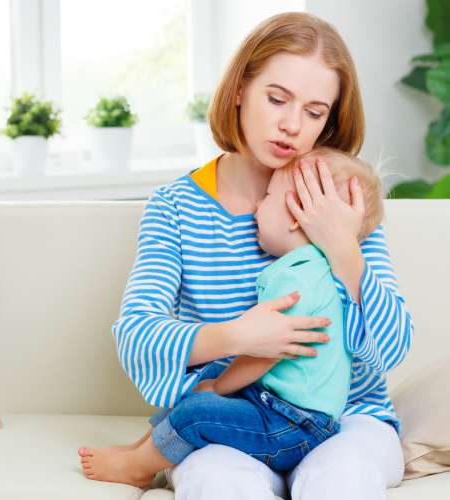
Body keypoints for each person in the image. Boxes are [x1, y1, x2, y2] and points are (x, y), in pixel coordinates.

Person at [79, 12, 413, 500]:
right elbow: (136, 334)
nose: (292, 125)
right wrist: (236, 335)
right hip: (236, 420)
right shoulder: (176, 207)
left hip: (348, 421)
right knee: (217, 483)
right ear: (239, 89)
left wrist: (342, 247)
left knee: (342, 480)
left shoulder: (339, 197)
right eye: (277, 98)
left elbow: (393, 348)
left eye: (315, 111)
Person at [77, 147, 386, 486]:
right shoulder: (302, 268)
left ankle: (139, 466)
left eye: (268, 198)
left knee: (200, 409)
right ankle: (138, 450)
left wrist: (220, 385)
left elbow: (267, 353)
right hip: (279, 406)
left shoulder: (298, 278)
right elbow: (138, 329)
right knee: (196, 395)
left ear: (297, 216)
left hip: (297, 422)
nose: (257, 207)